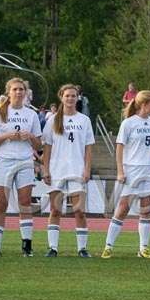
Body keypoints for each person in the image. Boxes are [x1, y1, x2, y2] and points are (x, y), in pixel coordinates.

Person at [0, 78, 42, 257]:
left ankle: (26, 245)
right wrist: (8, 136)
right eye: (15, 89)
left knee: (25, 203)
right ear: (9, 92)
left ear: (25, 93)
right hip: (4, 161)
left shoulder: (31, 114)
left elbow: (39, 145)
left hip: (25, 161)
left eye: (21, 89)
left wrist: (30, 136)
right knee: (1, 203)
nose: (18, 92)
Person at [102, 90, 150, 260]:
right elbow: (120, 147)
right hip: (132, 169)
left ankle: (143, 248)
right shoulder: (128, 123)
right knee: (122, 209)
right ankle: (108, 246)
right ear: (144, 104)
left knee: (146, 210)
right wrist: (120, 170)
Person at [42, 84, 95, 257]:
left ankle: (82, 248)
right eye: (67, 96)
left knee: (79, 210)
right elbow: (47, 148)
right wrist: (46, 169)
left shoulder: (84, 120)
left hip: (77, 170)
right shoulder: (52, 120)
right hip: (57, 170)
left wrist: (87, 169)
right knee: (55, 210)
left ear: (77, 98)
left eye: (73, 96)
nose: (70, 99)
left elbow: (88, 148)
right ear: (61, 97)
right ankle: (53, 248)